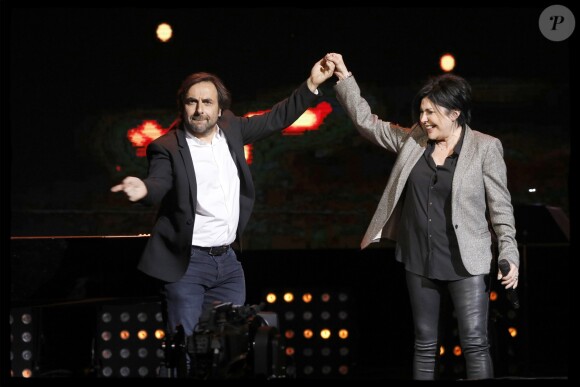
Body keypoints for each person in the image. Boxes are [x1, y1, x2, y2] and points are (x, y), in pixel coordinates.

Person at [111, 58, 334, 372]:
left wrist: (312, 84)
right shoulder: (166, 147)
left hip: (228, 265)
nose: (199, 109)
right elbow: (160, 182)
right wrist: (143, 190)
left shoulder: (231, 127)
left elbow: (276, 118)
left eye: (207, 102)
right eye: (192, 102)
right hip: (187, 266)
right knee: (187, 354)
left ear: (219, 109)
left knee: (230, 352)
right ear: (182, 107)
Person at [324, 53, 520, 380]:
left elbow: (501, 208)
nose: (424, 118)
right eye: (422, 111)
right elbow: (366, 122)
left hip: (466, 261)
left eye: (431, 112)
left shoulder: (485, 148)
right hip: (420, 258)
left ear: (455, 114)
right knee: (425, 344)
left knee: (474, 343)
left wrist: (509, 253)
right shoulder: (413, 141)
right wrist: (344, 78)